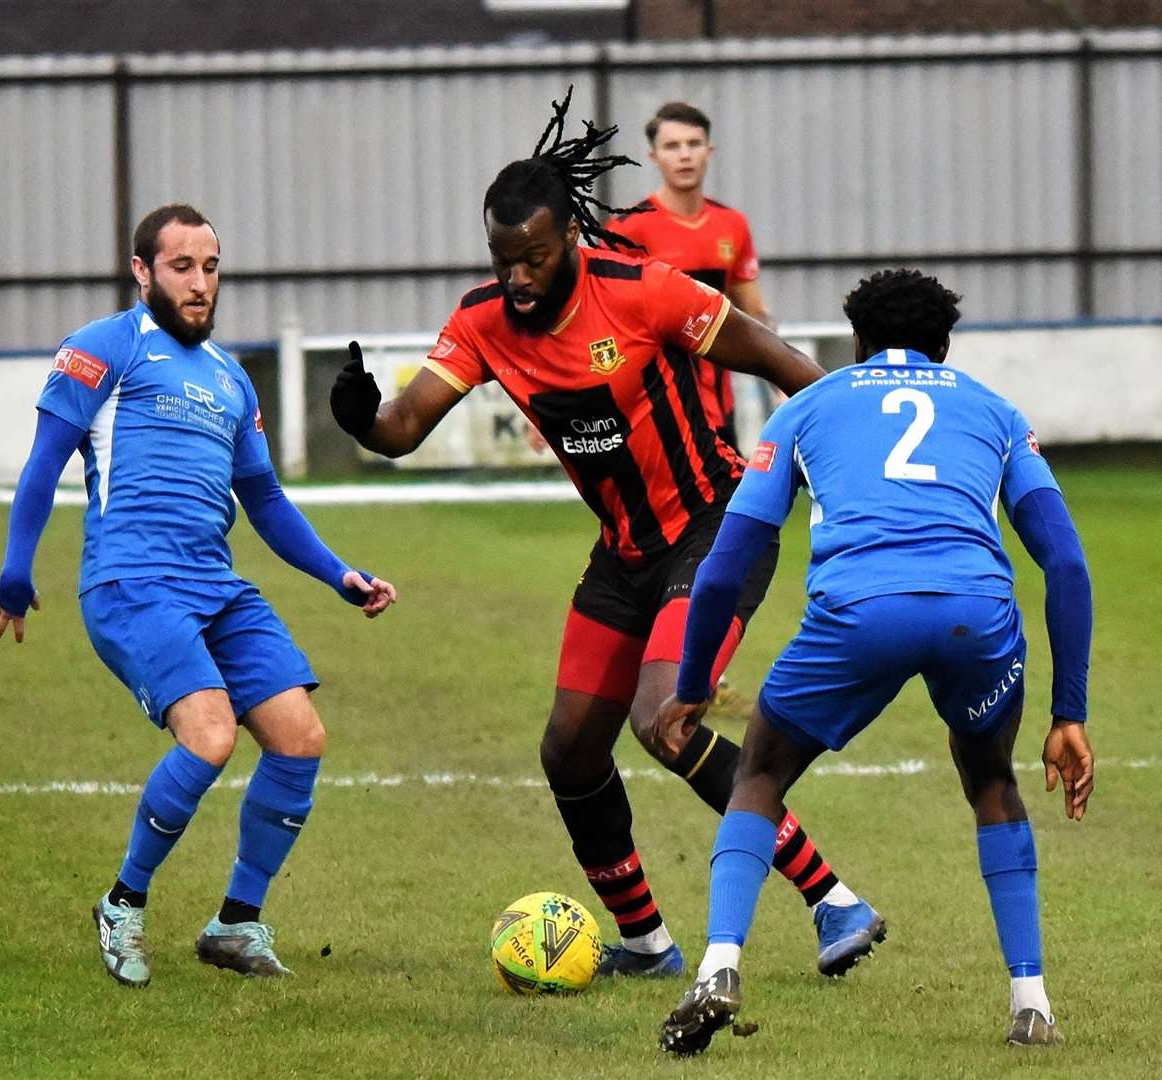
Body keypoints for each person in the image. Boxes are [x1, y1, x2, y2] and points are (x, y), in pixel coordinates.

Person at [329, 90, 883, 979]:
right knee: (569, 748)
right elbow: (404, 427)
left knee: (663, 718)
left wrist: (853, 480)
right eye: (502, 258)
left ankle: (834, 900)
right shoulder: (482, 322)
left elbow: (791, 369)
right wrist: (363, 418)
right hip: (625, 552)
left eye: (534, 259)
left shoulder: (647, 292)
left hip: (716, 529)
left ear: (570, 244)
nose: (516, 277)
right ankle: (646, 943)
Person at [654, 268, 1095, 1054]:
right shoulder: (995, 410)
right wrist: (1070, 714)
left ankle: (719, 966)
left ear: (856, 343)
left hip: (858, 613)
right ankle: (1031, 1004)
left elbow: (724, 566)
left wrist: (691, 688)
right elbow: (1064, 563)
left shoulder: (808, 407)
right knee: (991, 780)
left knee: (758, 771)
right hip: (975, 616)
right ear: (945, 345)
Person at [0, 203, 396, 989]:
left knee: (299, 738)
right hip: (131, 583)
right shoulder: (103, 349)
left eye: (210, 268)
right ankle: (122, 904)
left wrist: (340, 574)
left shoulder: (231, 376)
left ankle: (236, 923)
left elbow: (264, 500)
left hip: (216, 584)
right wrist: (16, 568)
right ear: (142, 271)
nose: (200, 284)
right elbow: (43, 465)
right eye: (181, 267)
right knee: (209, 735)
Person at [606, 102, 774, 450]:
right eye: (672, 146)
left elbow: (755, 313)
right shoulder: (629, 228)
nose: (685, 155)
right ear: (653, 156)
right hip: (655, 407)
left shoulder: (732, 224)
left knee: (725, 502)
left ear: (709, 151)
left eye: (693, 144)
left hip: (719, 408)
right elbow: (604, 319)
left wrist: (781, 381)